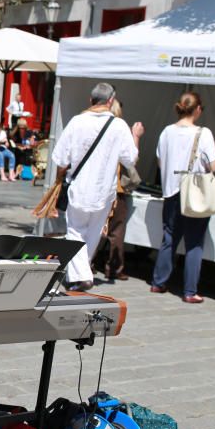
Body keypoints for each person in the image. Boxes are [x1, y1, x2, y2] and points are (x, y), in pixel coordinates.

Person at [52, 83, 143, 292]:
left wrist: (59, 179)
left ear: (91, 99)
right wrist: (136, 136)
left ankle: (81, 275)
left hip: (81, 187)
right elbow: (131, 159)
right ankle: (81, 274)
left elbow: (60, 157)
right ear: (110, 101)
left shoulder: (77, 122)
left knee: (75, 231)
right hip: (104, 191)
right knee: (93, 232)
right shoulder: (119, 126)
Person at [151, 92, 215, 304]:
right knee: (194, 242)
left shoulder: (166, 132)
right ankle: (190, 291)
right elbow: (210, 165)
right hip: (194, 192)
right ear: (198, 109)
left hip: (171, 190)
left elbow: (160, 161)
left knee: (169, 238)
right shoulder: (204, 133)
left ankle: (158, 281)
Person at [99, 99, 133, 281]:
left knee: (94, 228)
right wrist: (135, 136)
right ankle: (114, 268)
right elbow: (131, 158)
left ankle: (86, 264)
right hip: (115, 188)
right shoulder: (121, 130)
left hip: (97, 187)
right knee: (116, 231)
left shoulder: (96, 128)